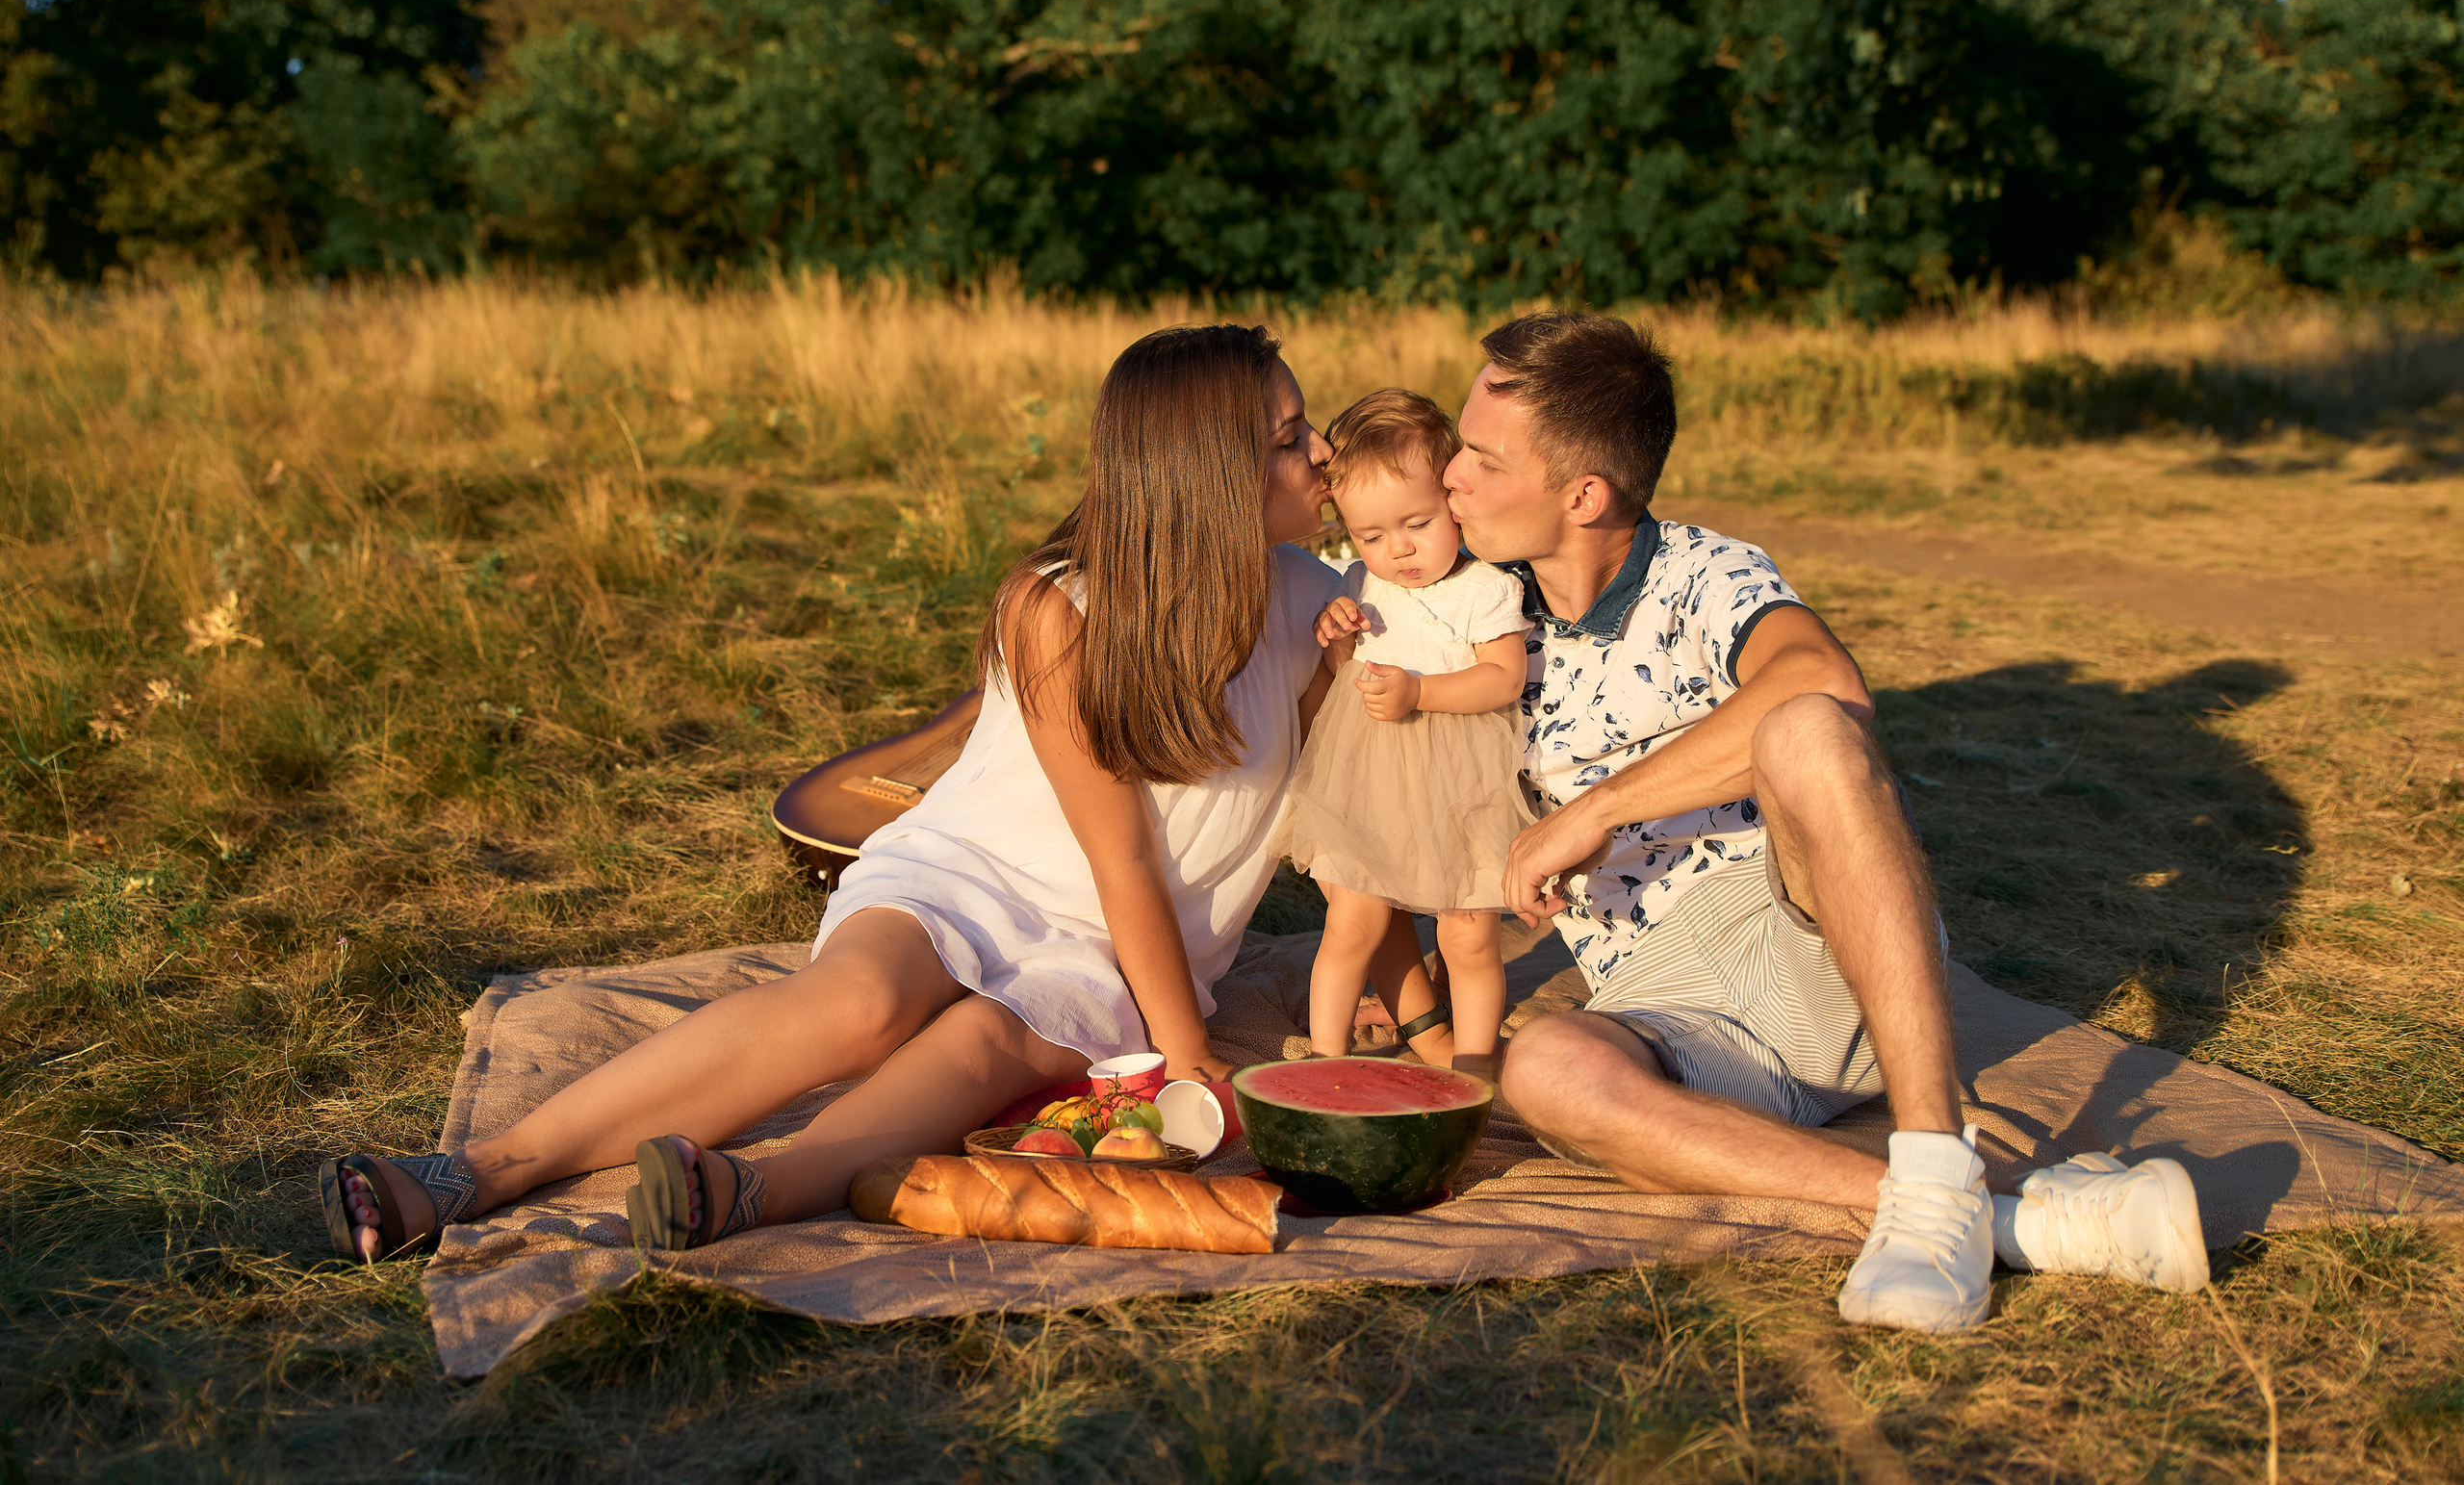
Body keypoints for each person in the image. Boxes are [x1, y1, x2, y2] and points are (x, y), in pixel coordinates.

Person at [320, 322, 1415, 1260]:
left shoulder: (1320, 607)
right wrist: (1190, 1059)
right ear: (1199, 471)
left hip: (1125, 943)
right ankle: (478, 1171)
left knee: (985, 1044)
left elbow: (1351, 811)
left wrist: (1386, 975)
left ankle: (757, 1189)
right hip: (975, 870)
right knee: (857, 1004)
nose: (1323, 455)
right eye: (1287, 438)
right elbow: (1118, 847)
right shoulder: (1059, 605)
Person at [1450, 312, 2211, 1333]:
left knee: (1807, 726)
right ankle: (1999, 1216)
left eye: (1478, 457)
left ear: (1581, 494)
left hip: (1813, 931)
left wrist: (1597, 809)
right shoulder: (1478, 611)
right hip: (1673, 1006)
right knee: (1543, 1065)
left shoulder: (1701, 573)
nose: (1450, 475)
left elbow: (1824, 676)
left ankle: (1933, 1146)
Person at [1282, 390, 1532, 1078]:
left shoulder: (1484, 586)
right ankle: (1323, 1061)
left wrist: (1421, 691)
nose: (1399, 549)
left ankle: (1474, 1065)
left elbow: (1503, 677)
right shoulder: (1363, 581)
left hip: (1462, 778)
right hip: (1373, 778)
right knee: (1351, 920)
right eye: (1372, 536)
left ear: (1452, 498)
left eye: (1418, 522)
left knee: (1470, 932)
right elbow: (1347, 672)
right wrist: (1338, 640)